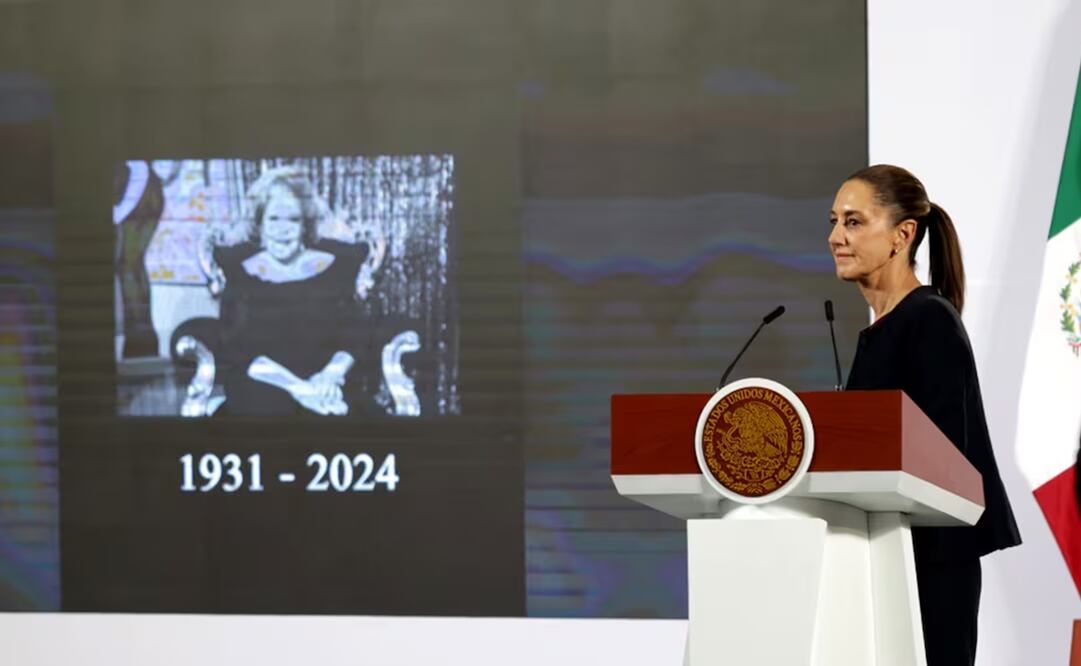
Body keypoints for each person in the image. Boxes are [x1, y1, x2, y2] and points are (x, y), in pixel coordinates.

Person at [828, 164, 1021, 665]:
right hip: (885, 563)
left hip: (930, 572)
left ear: (902, 235)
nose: (834, 237)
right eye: (834, 221)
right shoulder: (883, 330)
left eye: (853, 222)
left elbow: (944, 468)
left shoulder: (929, 321)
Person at [215, 167, 370, 416]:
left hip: (328, 384)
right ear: (260, 223)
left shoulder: (338, 265)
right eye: (274, 219)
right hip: (264, 385)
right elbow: (238, 351)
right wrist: (301, 390)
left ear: (305, 225)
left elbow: (356, 336)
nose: (282, 228)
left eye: (293, 219)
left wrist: (330, 376)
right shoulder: (240, 271)